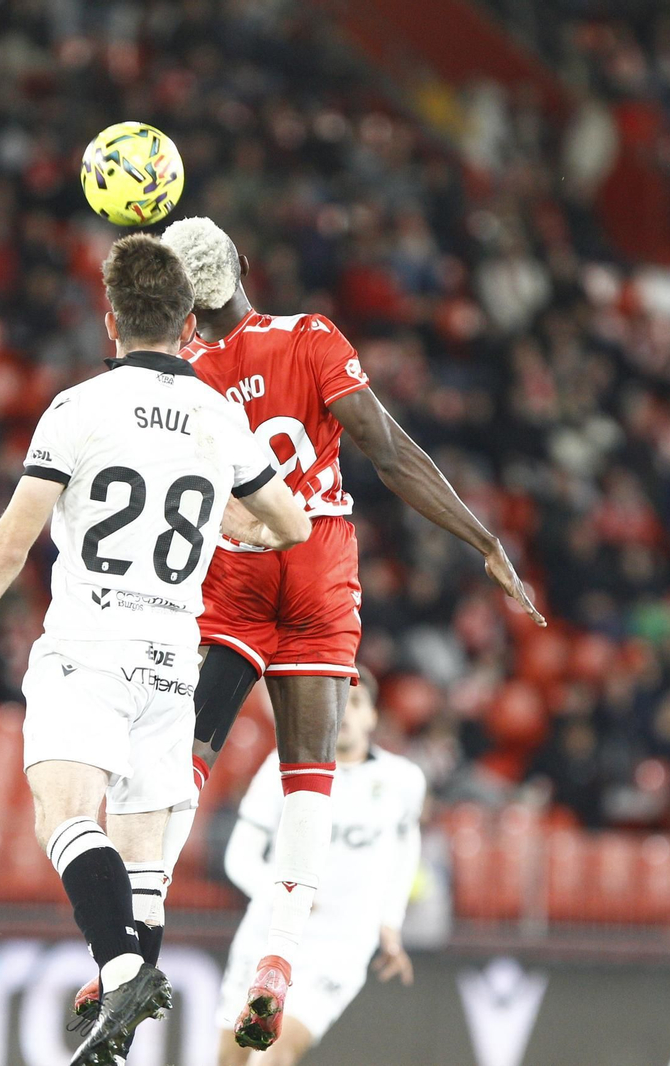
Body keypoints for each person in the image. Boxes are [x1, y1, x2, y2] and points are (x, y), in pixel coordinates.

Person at [0, 233, 310, 1066]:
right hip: (170, 656)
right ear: (190, 324)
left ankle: (122, 970)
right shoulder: (220, 417)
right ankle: (121, 1018)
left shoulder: (78, 409)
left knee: (64, 813)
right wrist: (232, 526)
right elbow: (292, 525)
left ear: (110, 320)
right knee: (144, 859)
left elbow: (10, 545)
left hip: (89, 645)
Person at [130, 215, 541, 1049]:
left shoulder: (187, 375)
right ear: (243, 266)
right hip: (318, 554)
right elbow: (388, 451)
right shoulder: (311, 336)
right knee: (310, 777)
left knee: (190, 758)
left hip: (241, 562)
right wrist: (484, 541)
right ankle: (280, 963)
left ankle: (133, 946)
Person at [217, 670, 424, 1064]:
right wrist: (286, 897)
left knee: (278, 1046)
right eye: (336, 700)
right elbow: (239, 857)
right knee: (232, 1056)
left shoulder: (403, 780)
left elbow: (405, 848)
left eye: (356, 702)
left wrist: (390, 923)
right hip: (270, 932)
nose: (345, 710)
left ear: (373, 716)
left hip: (341, 943)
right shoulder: (280, 768)